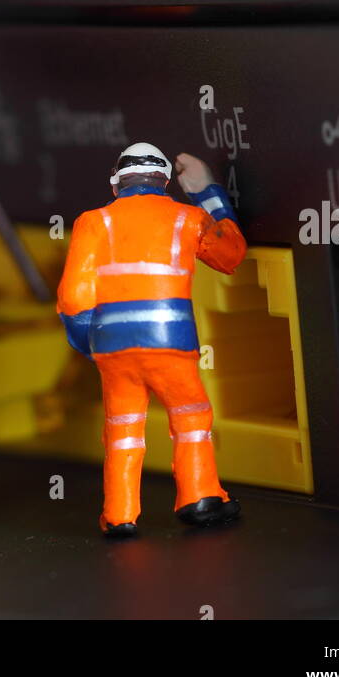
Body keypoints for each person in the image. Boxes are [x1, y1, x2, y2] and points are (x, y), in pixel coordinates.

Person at [57, 142, 247, 537]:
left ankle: (119, 515)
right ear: (164, 180)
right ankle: (200, 498)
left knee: (122, 427)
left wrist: (88, 343)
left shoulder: (93, 222)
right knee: (191, 417)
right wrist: (207, 193)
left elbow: (73, 296)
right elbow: (230, 254)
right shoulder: (187, 218)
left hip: (112, 346)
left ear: (115, 184)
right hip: (170, 340)